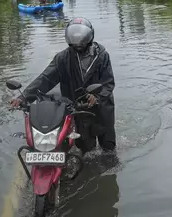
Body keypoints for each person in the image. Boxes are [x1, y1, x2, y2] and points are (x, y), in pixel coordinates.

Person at [10, 18, 116, 152]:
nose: (79, 45)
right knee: (85, 148)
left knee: (108, 148)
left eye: (82, 41)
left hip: (102, 108)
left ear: (89, 37)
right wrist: (24, 97)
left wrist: (97, 96)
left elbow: (108, 82)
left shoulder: (102, 56)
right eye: (75, 41)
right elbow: (45, 78)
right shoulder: (62, 58)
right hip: (77, 107)